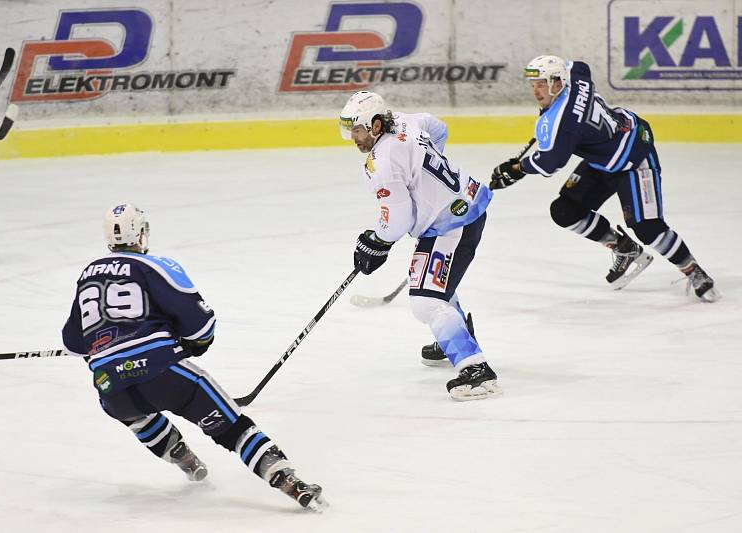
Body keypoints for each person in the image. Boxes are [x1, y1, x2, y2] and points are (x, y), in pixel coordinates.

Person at [61, 203, 327, 511]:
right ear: (140, 233)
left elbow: (74, 343)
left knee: (134, 412)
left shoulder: (87, 276)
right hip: (163, 375)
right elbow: (200, 324)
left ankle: (182, 456)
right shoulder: (156, 266)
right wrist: (196, 343)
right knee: (232, 428)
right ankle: (286, 480)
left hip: (109, 385)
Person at [490, 56, 718, 302]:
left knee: (647, 227)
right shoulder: (576, 79)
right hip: (604, 157)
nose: (536, 91)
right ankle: (624, 248)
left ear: (558, 82)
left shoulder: (560, 123)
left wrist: (517, 168)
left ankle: (694, 270)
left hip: (634, 158)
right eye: (534, 84)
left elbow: (549, 163)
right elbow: (580, 65)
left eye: (542, 84)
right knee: (565, 211)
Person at [339, 90, 501, 401]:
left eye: (357, 130)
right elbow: (438, 128)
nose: (353, 138)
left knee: (426, 300)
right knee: (435, 285)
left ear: (374, 125)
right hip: (466, 203)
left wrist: (377, 241)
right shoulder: (402, 121)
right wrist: (428, 174)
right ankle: (455, 338)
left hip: (451, 224)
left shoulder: (382, 162)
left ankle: (477, 370)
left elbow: (398, 218)